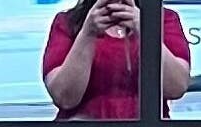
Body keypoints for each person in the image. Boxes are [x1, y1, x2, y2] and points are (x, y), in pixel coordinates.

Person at [42, 0, 191, 120]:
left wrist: (145, 30)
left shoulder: (164, 20)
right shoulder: (67, 23)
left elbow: (176, 88)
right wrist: (88, 33)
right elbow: (64, 98)